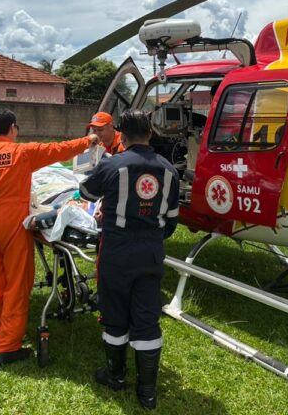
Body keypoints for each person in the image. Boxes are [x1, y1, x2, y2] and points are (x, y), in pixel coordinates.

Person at [0, 109, 98, 367]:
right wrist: (88, 141)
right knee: (16, 284)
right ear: (13, 128)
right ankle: (7, 347)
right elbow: (59, 150)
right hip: (13, 225)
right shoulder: (21, 153)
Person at [78, 110, 179, 410]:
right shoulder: (169, 170)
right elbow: (171, 221)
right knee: (147, 318)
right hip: (150, 253)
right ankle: (147, 393)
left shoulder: (112, 164)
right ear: (150, 132)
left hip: (116, 252)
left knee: (115, 315)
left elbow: (85, 190)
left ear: (122, 133)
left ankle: (116, 375)